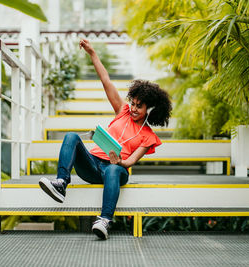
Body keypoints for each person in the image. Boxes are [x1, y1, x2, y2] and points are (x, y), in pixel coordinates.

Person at [39, 39, 172, 240]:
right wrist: (92, 53)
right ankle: (61, 183)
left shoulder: (148, 137)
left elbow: (131, 161)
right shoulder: (123, 111)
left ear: (150, 109)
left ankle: (104, 221)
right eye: (133, 103)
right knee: (71, 136)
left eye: (139, 106)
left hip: (116, 171)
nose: (134, 108)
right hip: (92, 165)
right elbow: (106, 81)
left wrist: (119, 162)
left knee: (112, 169)